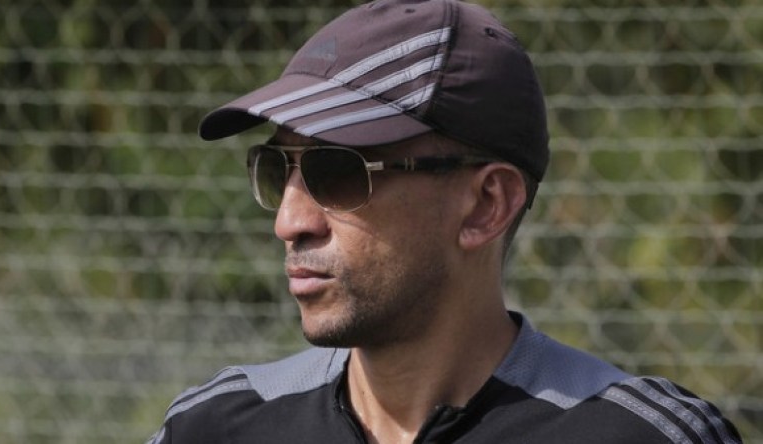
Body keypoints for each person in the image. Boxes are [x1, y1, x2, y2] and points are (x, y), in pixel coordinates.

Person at [148, 0, 742, 442]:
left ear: (486, 205)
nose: (290, 220)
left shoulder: (636, 435)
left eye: (339, 171)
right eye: (278, 169)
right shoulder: (213, 428)